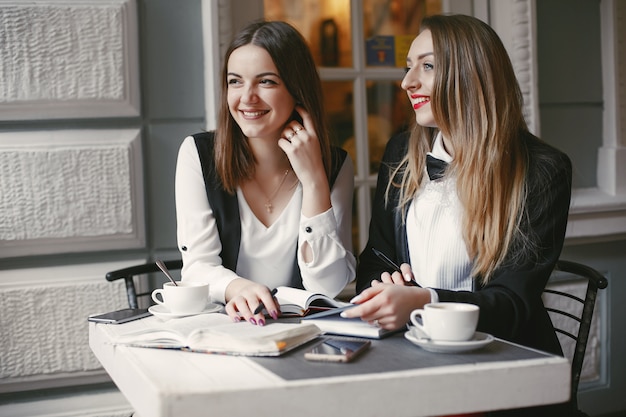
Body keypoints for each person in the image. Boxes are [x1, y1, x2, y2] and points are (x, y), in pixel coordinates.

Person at [341, 14, 572, 416]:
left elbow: (513, 303)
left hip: (503, 373)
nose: (407, 82)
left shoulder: (542, 171)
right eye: (408, 66)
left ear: (471, 74)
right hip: (410, 360)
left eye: (427, 66)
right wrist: (388, 284)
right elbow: (374, 259)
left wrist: (422, 300)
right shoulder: (401, 154)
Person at [175, 20, 356, 326]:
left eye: (266, 82)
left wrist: (314, 181)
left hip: (299, 335)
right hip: (222, 328)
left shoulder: (335, 166)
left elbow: (328, 285)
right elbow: (197, 266)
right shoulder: (198, 155)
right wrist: (238, 288)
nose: (247, 97)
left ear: (297, 89)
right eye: (235, 81)